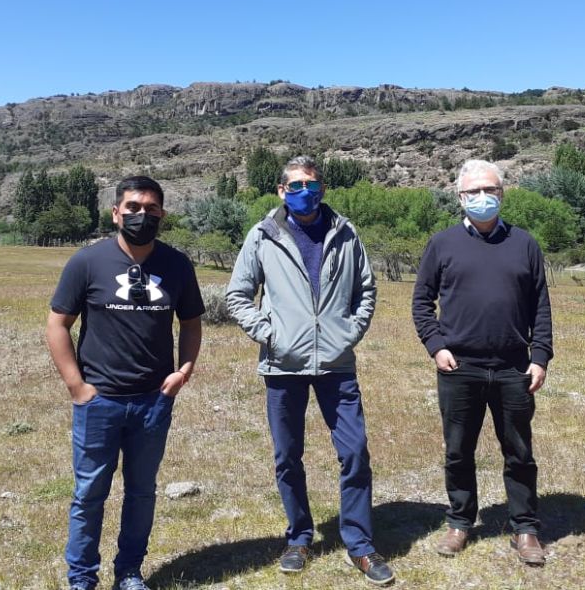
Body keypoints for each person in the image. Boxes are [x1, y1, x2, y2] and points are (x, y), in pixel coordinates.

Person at [226, 155, 396, 586]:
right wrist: (269, 334)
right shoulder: (263, 235)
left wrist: (349, 333)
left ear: (322, 188)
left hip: (337, 365)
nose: (306, 191)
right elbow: (238, 295)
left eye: (313, 184)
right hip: (283, 366)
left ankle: (359, 543)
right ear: (281, 190)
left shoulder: (346, 232)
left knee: (354, 452)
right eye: (297, 185)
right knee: (288, 456)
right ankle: (300, 537)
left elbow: (366, 290)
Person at [46, 175, 204, 590]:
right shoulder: (87, 262)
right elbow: (58, 324)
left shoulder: (176, 264)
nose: (141, 215)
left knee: (141, 493)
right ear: (116, 212)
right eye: (132, 208)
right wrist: (76, 387)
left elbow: (190, 322)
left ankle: (130, 573)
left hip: (153, 401)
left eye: (151, 209)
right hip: (100, 401)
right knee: (89, 495)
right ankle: (81, 579)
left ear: (162, 215)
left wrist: (183, 371)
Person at [411, 159, 553, 567]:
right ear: (459, 197)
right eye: (473, 192)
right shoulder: (442, 244)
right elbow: (422, 303)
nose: (482, 198)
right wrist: (436, 346)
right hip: (460, 367)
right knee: (458, 451)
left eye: (489, 190)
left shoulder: (525, 244)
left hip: (513, 367)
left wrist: (539, 356)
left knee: (519, 451)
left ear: (502, 194)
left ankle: (525, 528)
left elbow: (540, 307)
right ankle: (460, 522)